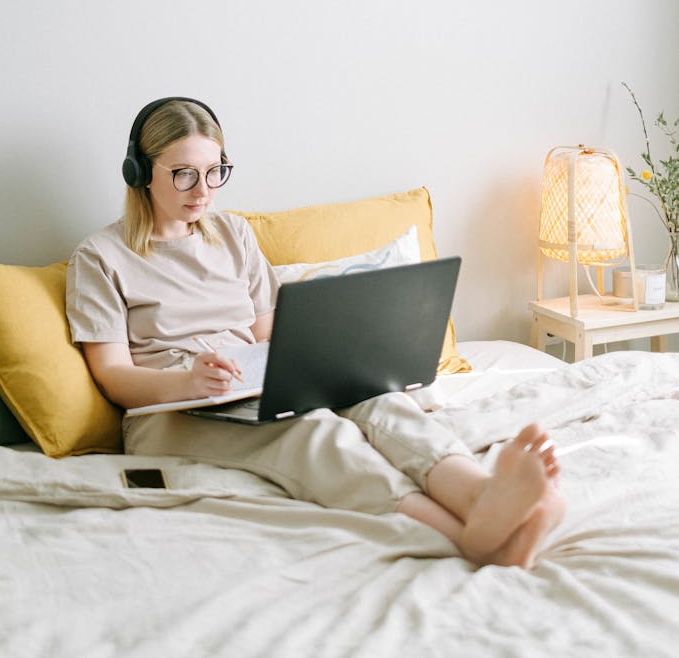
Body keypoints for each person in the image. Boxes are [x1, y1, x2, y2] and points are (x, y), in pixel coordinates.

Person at [66, 97, 566, 568]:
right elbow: (112, 374)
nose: (204, 190)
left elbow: (268, 333)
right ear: (140, 173)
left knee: (379, 401)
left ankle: (481, 496)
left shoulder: (232, 234)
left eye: (215, 172)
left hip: (248, 379)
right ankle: (464, 538)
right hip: (167, 408)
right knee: (316, 432)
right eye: (184, 175)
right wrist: (188, 383)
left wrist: (328, 358)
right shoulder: (101, 256)